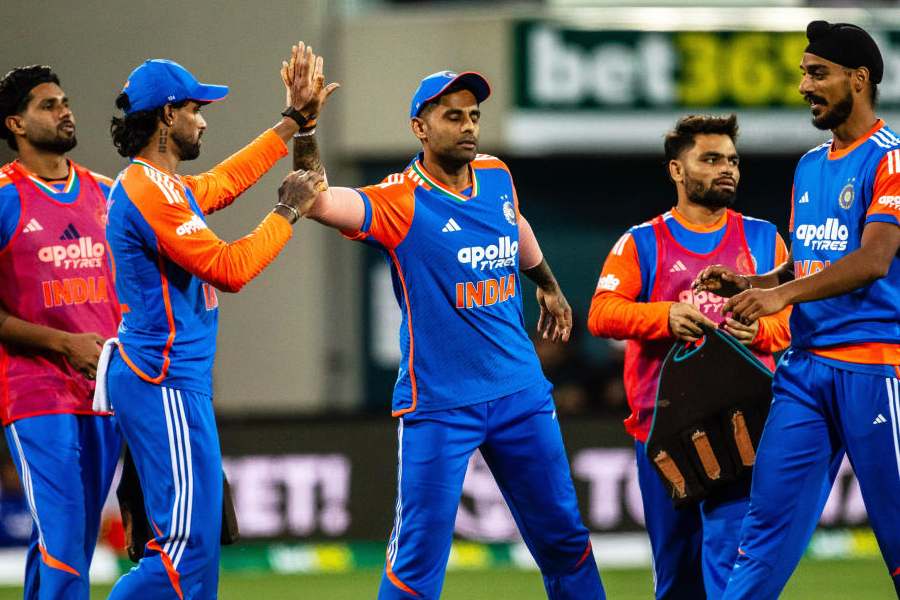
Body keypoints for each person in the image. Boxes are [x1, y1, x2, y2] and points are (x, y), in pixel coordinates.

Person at [290, 67, 605, 599]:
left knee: (565, 541)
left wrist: (548, 284)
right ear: (420, 127)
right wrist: (305, 126)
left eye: (474, 116)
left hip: (521, 394)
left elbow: (515, 224)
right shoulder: (400, 200)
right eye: (453, 116)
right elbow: (317, 199)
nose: (468, 126)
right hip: (440, 406)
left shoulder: (497, 174)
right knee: (417, 559)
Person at [102, 44, 332, 599]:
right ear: (167, 114)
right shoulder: (146, 190)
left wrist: (292, 122)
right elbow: (230, 269)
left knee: (200, 552)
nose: (203, 120)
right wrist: (287, 211)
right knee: (183, 551)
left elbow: (224, 182)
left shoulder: (162, 186)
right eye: (195, 109)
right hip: (162, 382)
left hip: (173, 382)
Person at [694, 22, 900, 599]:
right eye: (804, 73)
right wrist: (754, 283)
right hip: (804, 370)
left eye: (818, 73)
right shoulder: (810, 164)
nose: (804, 86)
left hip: (873, 368)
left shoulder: (891, 160)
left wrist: (779, 298)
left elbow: (873, 260)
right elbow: (810, 262)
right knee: (764, 532)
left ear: (858, 80)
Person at [587, 114, 793, 599]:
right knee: (677, 576)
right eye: (712, 159)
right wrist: (665, 316)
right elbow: (601, 313)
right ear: (677, 170)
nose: (727, 169)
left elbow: (792, 321)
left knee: (733, 568)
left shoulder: (764, 238)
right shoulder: (642, 241)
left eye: (733, 161)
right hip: (664, 434)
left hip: (745, 429)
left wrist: (761, 330)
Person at [0, 65, 122, 599]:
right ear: (16, 124)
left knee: (67, 539)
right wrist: (62, 344)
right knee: (66, 532)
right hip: (35, 392)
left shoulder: (107, 193)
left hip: (104, 393)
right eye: (48, 105)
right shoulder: (4, 197)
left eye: (65, 101)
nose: (65, 111)